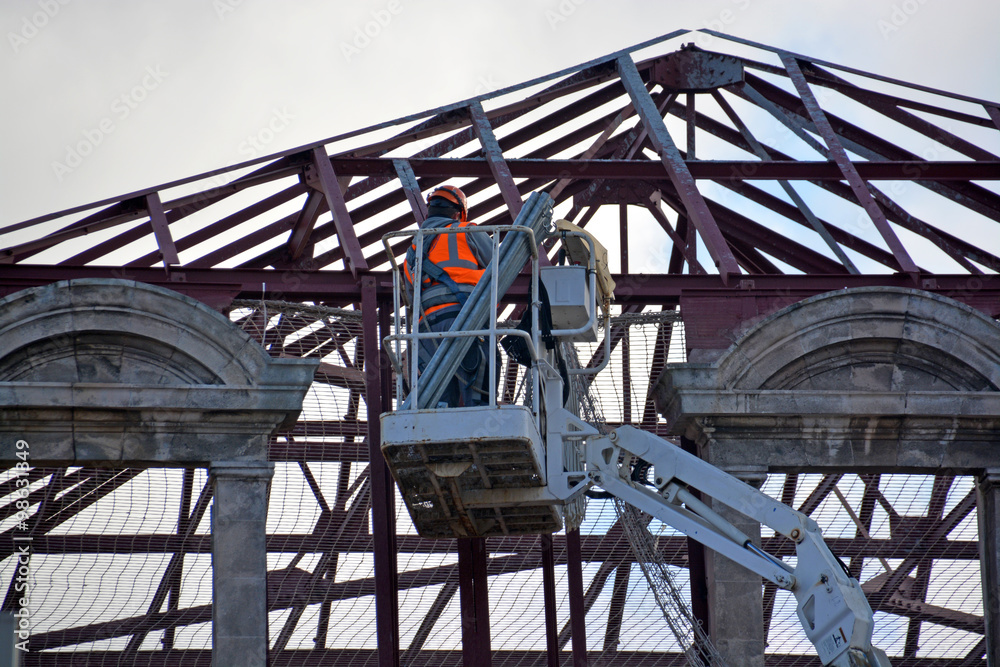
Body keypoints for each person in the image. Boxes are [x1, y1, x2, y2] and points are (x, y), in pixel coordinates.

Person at [404, 185, 494, 407]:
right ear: (458, 214)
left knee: (438, 395)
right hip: (465, 316)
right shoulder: (466, 231)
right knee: (479, 379)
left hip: (427, 328)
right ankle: (481, 427)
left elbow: (409, 294)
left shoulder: (413, 249)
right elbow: (501, 265)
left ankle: (440, 431)